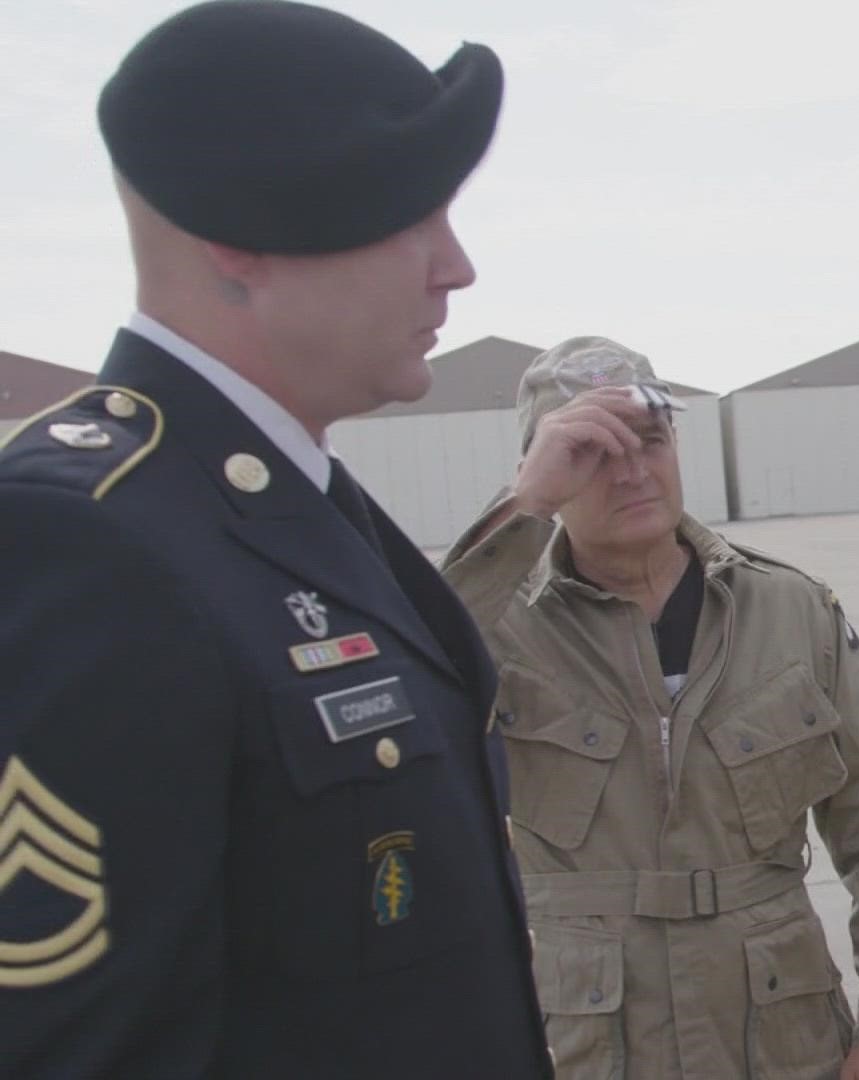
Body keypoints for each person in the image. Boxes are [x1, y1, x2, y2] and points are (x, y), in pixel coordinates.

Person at [0, 2, 550, 1076]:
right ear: (239, 236)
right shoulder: (87, 544)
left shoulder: (290, 506)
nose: (457, 266)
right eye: (413, 213)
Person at [438, 336, 859, 1079]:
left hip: (785, 1043)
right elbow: (410, 686)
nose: (631, 469)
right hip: (589, 1049)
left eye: (651, 440)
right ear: (547, 469)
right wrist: (522, 506)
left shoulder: (791, 610)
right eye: (593, 452)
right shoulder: (498, 623)